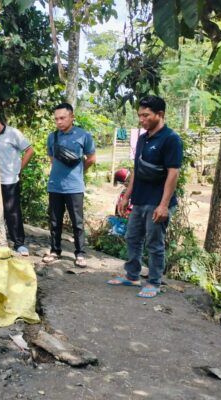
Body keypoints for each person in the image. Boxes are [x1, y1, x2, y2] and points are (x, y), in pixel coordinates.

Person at [107, 95, 183, 298]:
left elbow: (173, 173)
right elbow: (137, 169)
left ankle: (154, 281)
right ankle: (132, 276)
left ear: (160, 114)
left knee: (154, 242)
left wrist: (164, 205)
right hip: (139, 199)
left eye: (146, 115)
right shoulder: (142, 138)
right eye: (140, 115)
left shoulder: (171, 139)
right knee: (132, 237)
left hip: (157, 201)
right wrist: (126, 196)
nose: (141, 119)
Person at [42, 103, 96, 268]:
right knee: (54, 221)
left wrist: (78, 172)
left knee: (77, 222)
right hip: (55, 186)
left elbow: (91, 159)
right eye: (56, 119)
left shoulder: (83, 136)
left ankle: (80, 254)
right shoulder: (52, 137)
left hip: (75, 187)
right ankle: (55, 251)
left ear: (72, 117)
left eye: (62, 118)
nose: (59, 122)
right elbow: (52, 159)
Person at [0, 108, 35, 256]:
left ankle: (18, 243)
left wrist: (18, 169)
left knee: (12, 212)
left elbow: (29, 150)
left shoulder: (13, 133)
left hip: (9, 180)